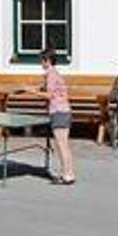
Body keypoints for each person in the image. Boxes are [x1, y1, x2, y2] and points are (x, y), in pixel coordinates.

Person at [41, 48, 76, 185]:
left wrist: (29, 91)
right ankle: (69, 173)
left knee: (61, 144)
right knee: (64, 144)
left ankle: (66, 175)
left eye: (42, 60)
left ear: (48, 61)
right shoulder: (56, 73)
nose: (41, 63)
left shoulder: (50, 74)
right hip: (65, 110)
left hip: (58, 111)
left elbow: (49, 95)